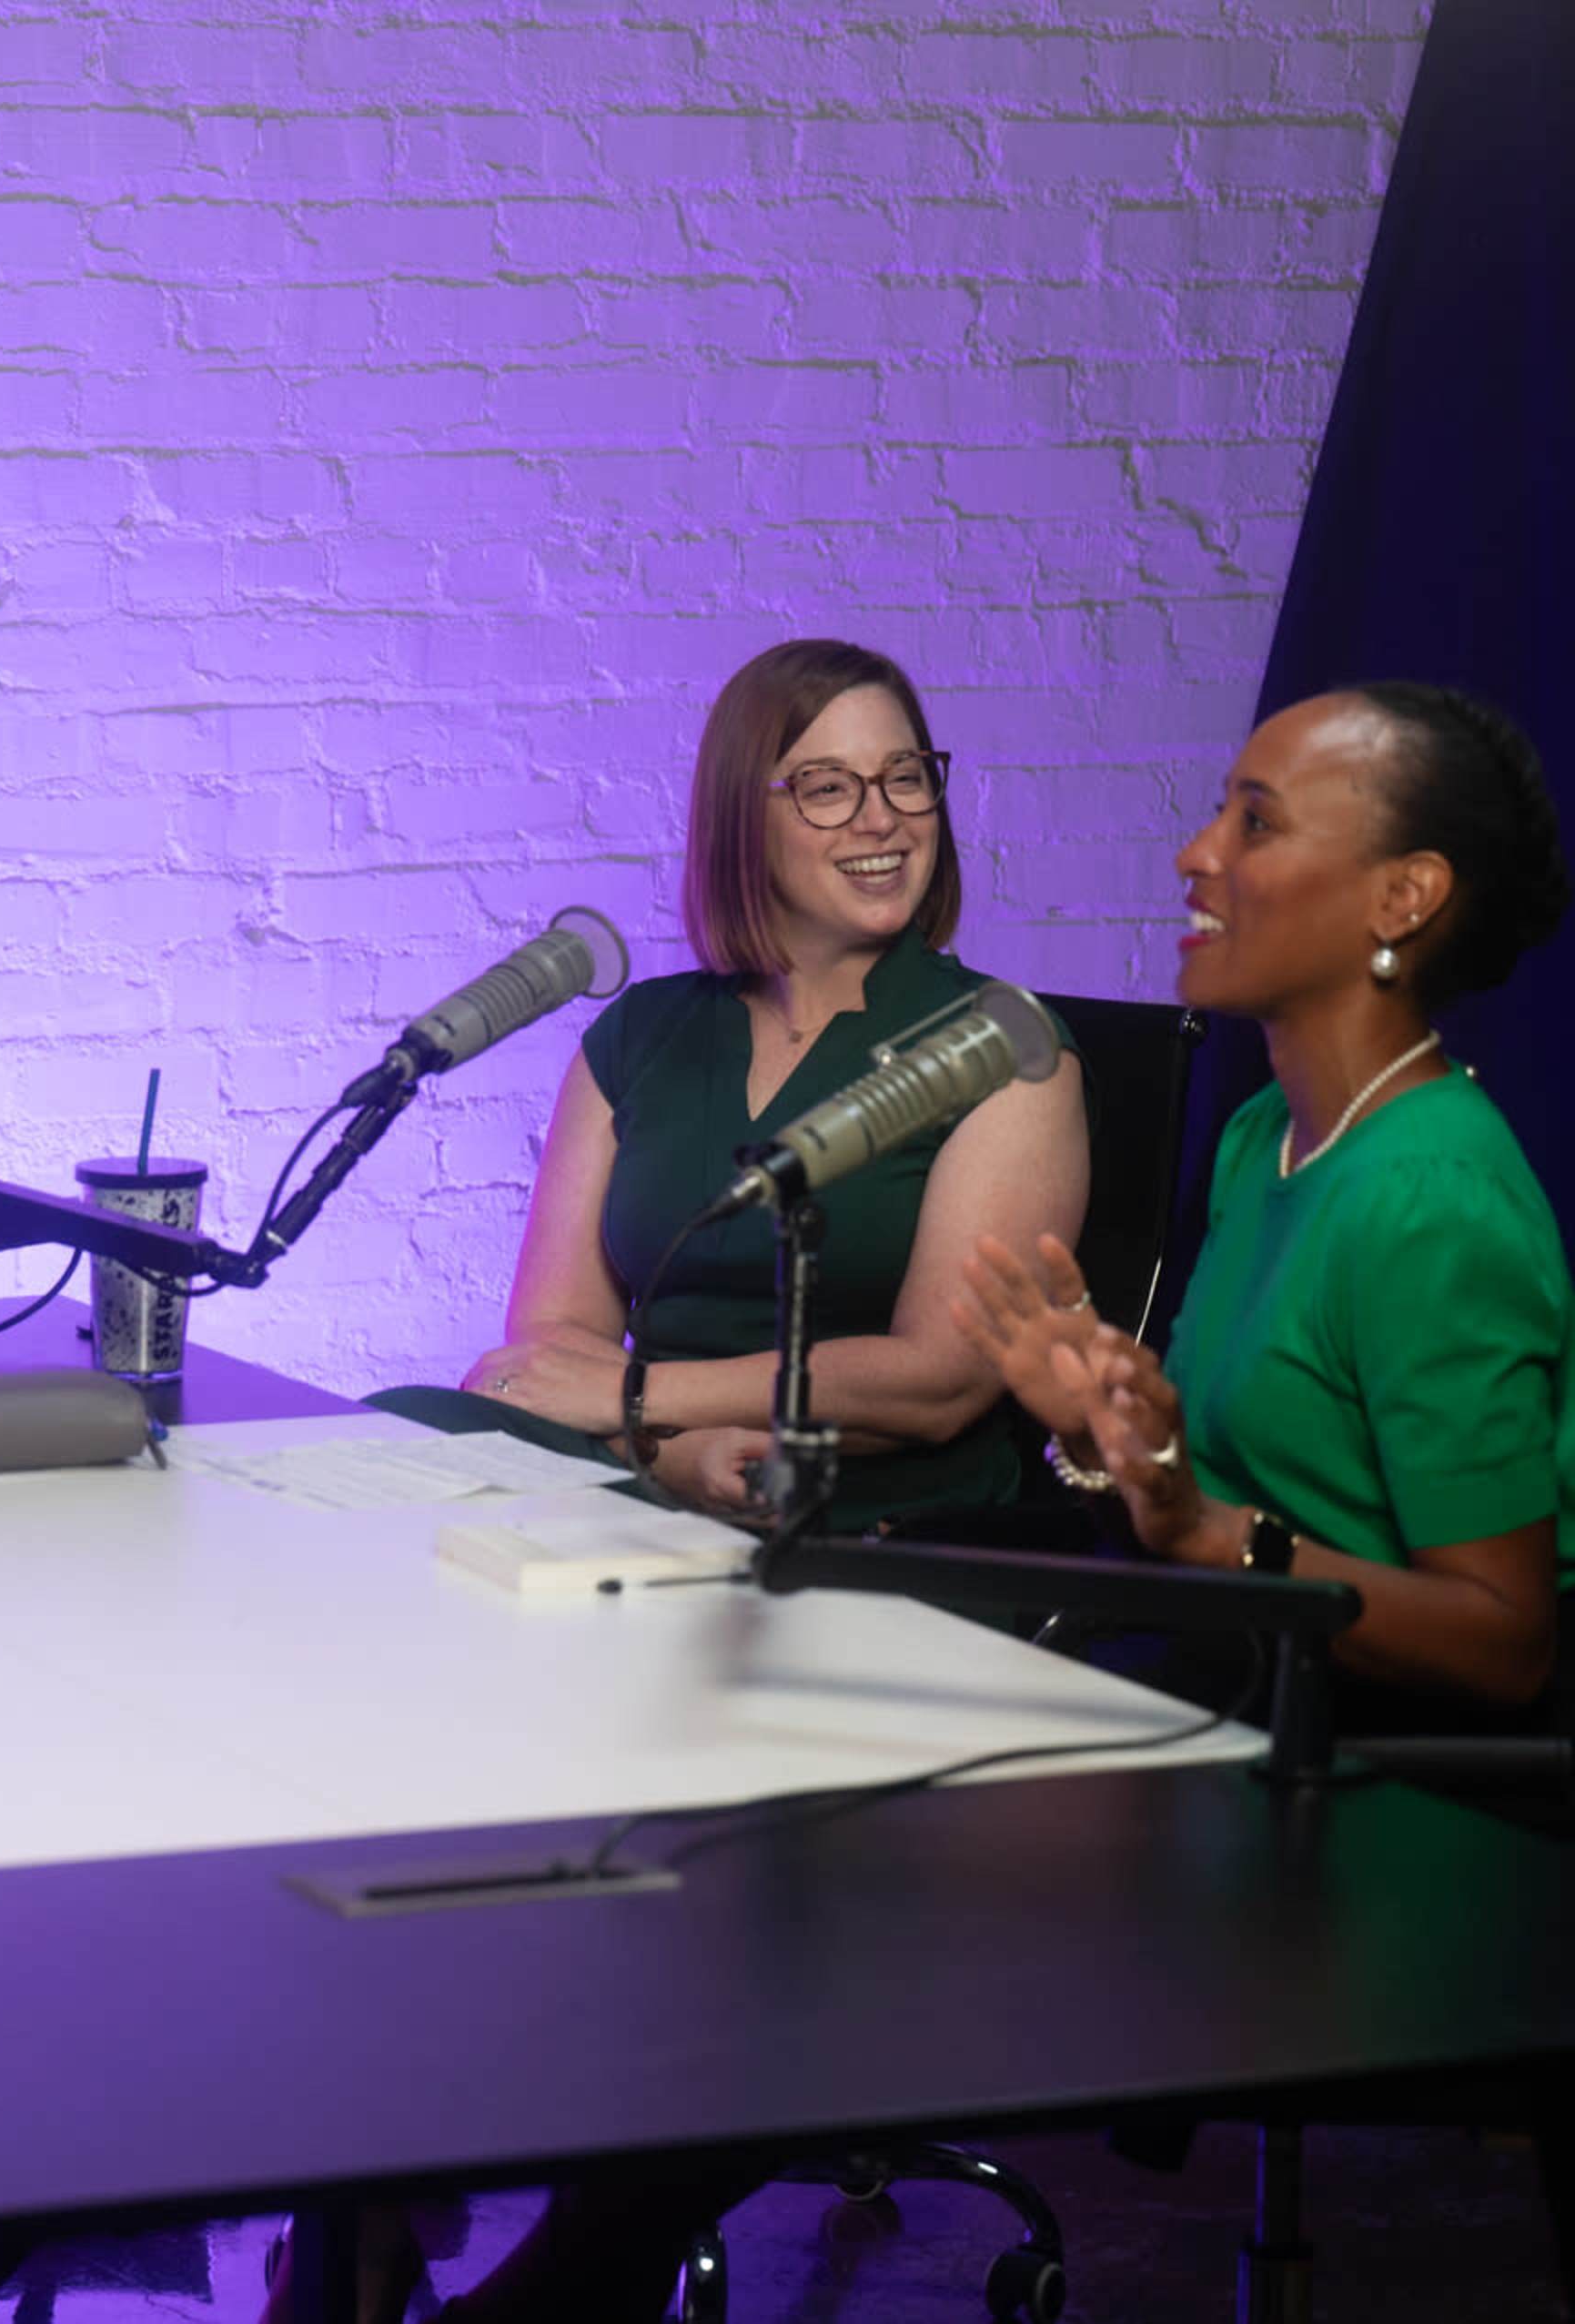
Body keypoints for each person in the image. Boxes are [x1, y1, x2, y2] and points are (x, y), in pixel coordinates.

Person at [373, 638, 1088, 1534]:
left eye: (905, 776)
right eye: (829, 788)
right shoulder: (639, 1035)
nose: (883, 819)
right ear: (741, 820)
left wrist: (639, 1394)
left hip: (880, 1526)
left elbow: (937, 1382)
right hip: (650, 1483)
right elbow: (551, 1353)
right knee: (391, 1423)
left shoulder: (1007, 1050)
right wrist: (670, 1453)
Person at [959, 683, 1572, 1715]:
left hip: (1393, 1796)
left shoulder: (1432, 1201)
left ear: (1402, 897)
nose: (1196, 854)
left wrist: (1208, 1531)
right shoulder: (1263, 1138)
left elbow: (1504, 1646)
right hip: (1229, 1706)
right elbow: (1202, 1512)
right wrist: (1103, 1444)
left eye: (1257, 821)